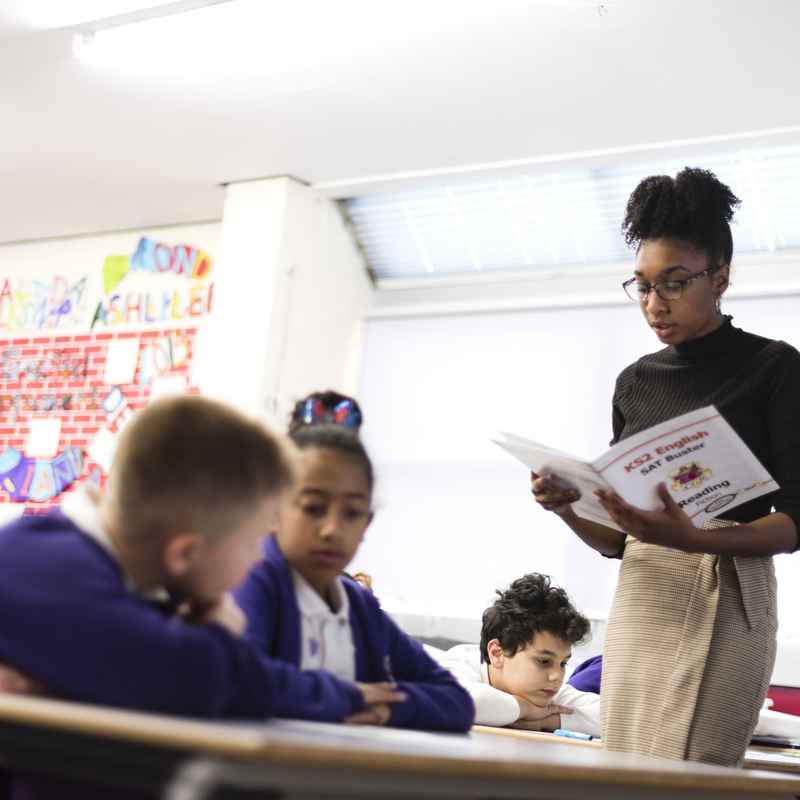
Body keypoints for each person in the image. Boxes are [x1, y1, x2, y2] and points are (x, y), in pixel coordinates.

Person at [531, 167, 800, 766]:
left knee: (691, 772)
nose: (655, 303)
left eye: (674, 283)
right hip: (645, 594)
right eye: (643, 285)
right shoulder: (636, 382)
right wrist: (568, 508)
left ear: (720, 277)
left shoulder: (774, 368)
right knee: (624, 766)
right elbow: (620, 540)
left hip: (727, 590)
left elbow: (797, 522)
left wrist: (695, 536)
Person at [0, 397, 404, 723]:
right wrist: (222, 630)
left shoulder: (98, 566)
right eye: (254, 540)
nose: (258, 558)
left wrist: (344, 695)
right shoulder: (57, 576)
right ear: (186, 554)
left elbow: (234, 675)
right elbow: (206, 679)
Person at [234, 424, 475, 732]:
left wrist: (387, 708)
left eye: (352, 513)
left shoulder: (359, 606)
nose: (332, 529)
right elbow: (242, 680)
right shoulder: (252, 579)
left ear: (367, 525)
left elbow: (456, 701)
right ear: (272, 509)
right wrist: (349, 696)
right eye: (313, 508)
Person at [430, 573, 597, 733]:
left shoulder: (545, 692)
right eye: (544, 661)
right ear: (497, 653)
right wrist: (528, 710)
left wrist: (548, 721)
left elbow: (615, 716)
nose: (557, 676)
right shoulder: (457, 663)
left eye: (563, 663)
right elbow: (457, 701)